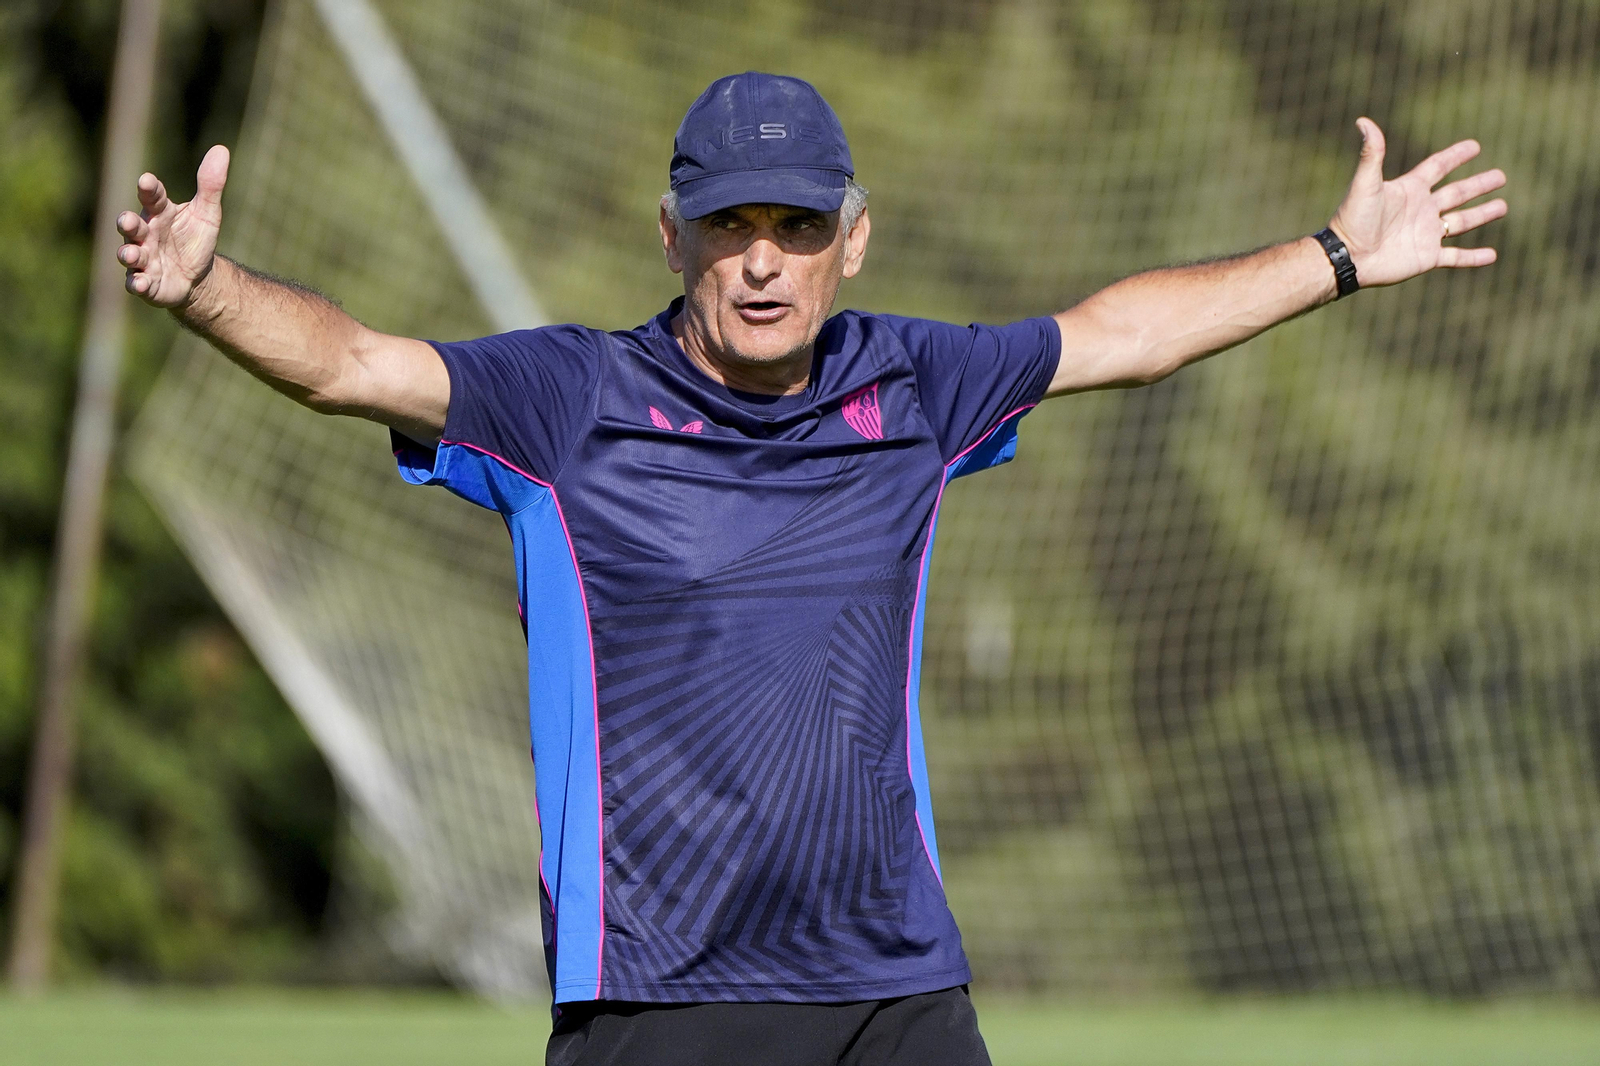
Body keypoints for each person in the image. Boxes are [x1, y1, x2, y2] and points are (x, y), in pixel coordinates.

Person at [117, 71, 1505, 1066]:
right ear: (674, 237)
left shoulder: (917, 383)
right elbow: (353, 364)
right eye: (730, 226)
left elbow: (1121, 332)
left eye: (794, 225)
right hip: (656, 1002)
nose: (762, 263)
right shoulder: (564, 400)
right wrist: (208, 288)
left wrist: (1333, 257)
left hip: (892, 988)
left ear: (853, 238)